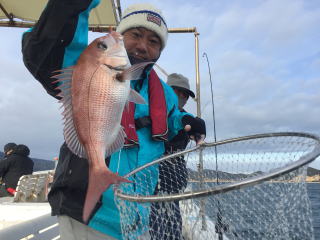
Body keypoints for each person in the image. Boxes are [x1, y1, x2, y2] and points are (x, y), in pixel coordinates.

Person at [22, 1, 206, 239]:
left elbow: (172, 121)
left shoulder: (164, 92)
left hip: (138, 217)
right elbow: (45, 50)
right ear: (120, 34)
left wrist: (187, 121)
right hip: (89, 216)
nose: (142, 46)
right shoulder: (86, 65)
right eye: (136, 35)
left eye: (153, 41)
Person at [149, 73, 198, 240]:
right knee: (154, 217)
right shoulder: (153, 112)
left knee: (172, 217)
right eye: (178, 92)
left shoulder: (186, 119)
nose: (182, 97)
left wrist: (195, 131)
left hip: (174, 176)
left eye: (185, 95)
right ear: (168, 91)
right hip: (153, 177)